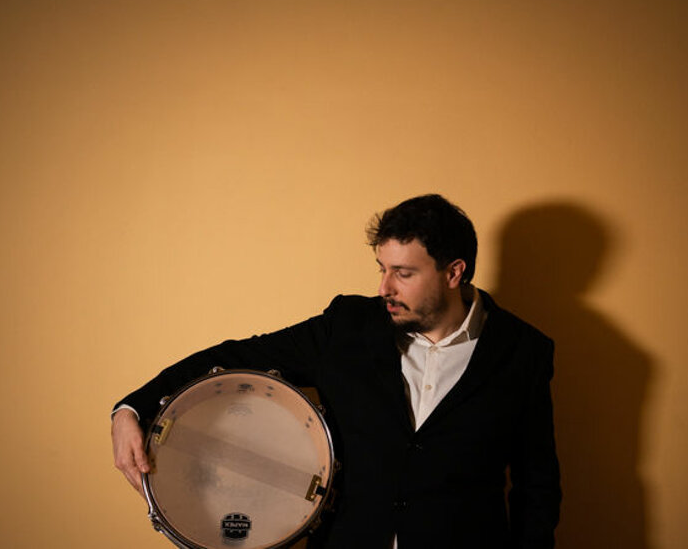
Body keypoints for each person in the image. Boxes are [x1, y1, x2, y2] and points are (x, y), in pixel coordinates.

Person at [111, 194, 561, 548]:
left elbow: (536, 486)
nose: (384, 288)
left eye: (403, 273)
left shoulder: (524, 352)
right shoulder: (347, 327)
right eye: (382, 269)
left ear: (454, 272)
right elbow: (237, 355)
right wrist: (131, 408)